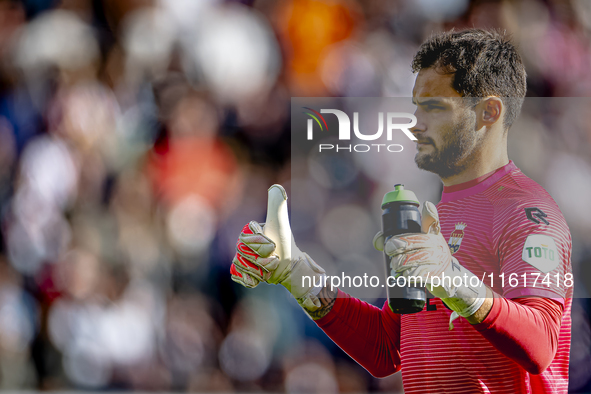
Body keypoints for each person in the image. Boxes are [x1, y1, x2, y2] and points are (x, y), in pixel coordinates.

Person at [230, 29, 572, 394]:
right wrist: (298, 274)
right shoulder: (439, 212)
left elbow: (540, 344)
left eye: (435, 107)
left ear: (488, 111)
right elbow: (386, 348)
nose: (415, 124)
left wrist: (456, 282)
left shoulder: (526, 212)